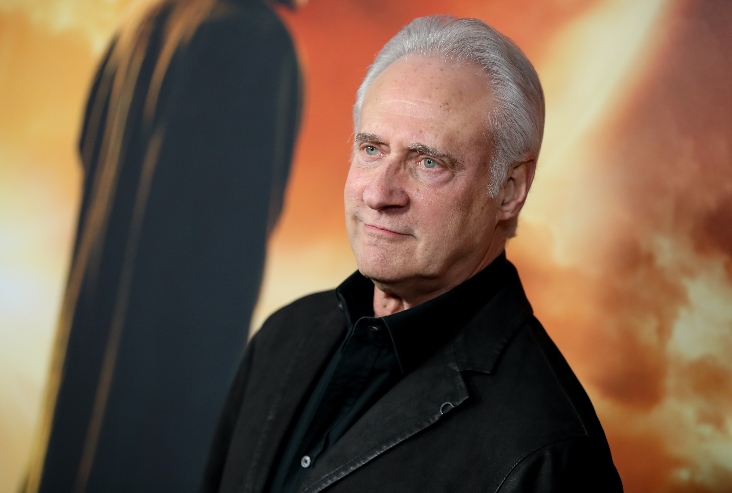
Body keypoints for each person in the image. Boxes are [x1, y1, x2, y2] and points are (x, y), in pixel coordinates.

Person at [202, 15, 623, 493]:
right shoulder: (284, 336)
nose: (379, 194)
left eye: (427, 162)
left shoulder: (548, 450)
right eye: (372, 149)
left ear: (510, 189)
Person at [25, 0, 303, 491]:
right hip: (159, 435)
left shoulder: (135, 28)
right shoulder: (254, 40)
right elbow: (228, 265)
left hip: (77, 429)